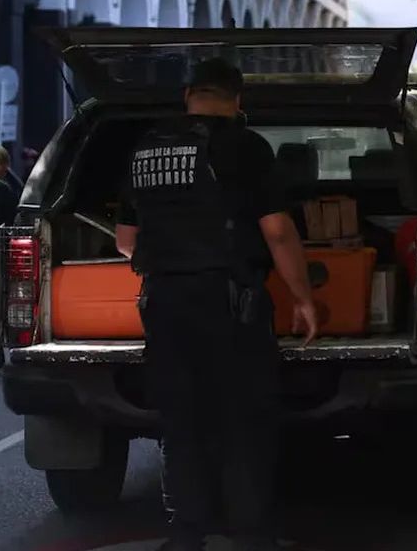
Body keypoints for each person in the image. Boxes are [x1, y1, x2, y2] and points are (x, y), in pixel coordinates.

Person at [115, 58, 318, 551]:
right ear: (237, 100)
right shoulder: (244, 147)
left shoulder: (146, 148)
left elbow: (125, 240)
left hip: (163, 303)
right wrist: (303, 298)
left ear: (187, 94)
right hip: (230, 304)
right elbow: (278, 231)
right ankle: (249, 534)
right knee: (242, 419)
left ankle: (186, 532)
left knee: (180, 420)